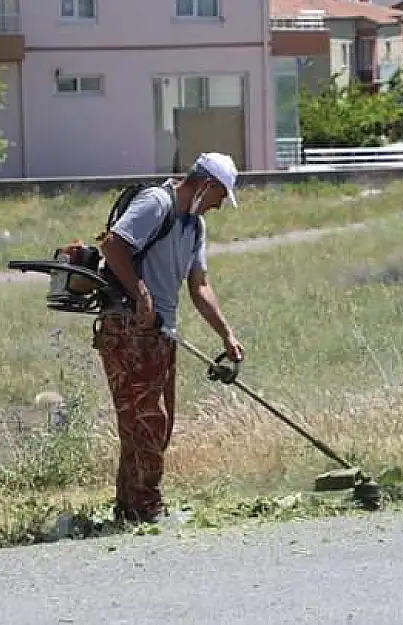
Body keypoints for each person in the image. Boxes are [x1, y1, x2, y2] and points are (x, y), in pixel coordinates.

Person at [93, 152, 245, 524]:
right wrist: (140, 292)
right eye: (219, 197)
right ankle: (147, 509)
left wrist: (226, 333)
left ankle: (129, 508)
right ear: (205, 185)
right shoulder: (155, 203)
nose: (218, 206)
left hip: (162, 333)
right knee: (148, 421)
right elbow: (113, 245)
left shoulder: (194, 227)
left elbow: (200, 286)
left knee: (153, 425)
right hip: (129, 328)